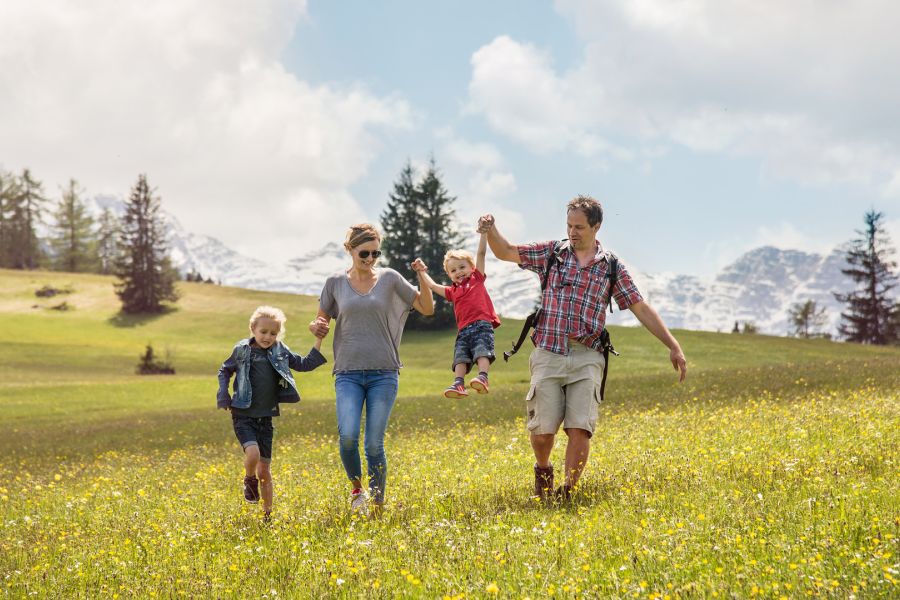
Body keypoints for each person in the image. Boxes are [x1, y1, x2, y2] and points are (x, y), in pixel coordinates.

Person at [478, 196, 687, 501]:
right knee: (542, 431)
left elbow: (640, 308)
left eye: (579, 227)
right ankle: (543, 467)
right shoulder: (552, 253)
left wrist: (673, 345)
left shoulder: (611, 266)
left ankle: (567, 491)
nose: (572, 232)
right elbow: (506, 252)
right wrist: (491, 230)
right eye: (569, 225)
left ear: (596, 226)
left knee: (580, 428)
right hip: (549, 350)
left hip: (588, 355)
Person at [309, 223, 434, 517]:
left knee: (374, 443)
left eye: (375, 253)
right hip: (348, 373)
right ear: (350, 249)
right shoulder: (335, 283)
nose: (370, 259)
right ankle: (357, 491)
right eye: (364, 252)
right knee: (348, 436)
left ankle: (377, 505)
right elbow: (320, 321)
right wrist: (316, 326)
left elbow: (427, 308)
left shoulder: (390, 278)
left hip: (384, 373)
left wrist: (422, 276)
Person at [217, 306, 327, 520]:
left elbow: (305, 364)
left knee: (265, 471)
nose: (268, 337)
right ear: (253, 329)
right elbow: (225, 370)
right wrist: (223, 394)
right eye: (263, 332)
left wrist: (318, 339)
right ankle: (249, 480)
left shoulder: (280, 350)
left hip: (265, 418)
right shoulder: (242, 350)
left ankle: (267, 516)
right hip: (243, 414)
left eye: (273, 333)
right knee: (253, 454)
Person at [416, 231, 501, 398]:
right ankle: (459, 383)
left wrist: (484, 234)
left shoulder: (477, 278)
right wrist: (421, 271)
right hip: (463, 331)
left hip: (481, 324)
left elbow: (481, 253)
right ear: (449, 275)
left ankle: (483, 377)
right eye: (453, 270)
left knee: (482, 351)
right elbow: (432, 286)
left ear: (472, 268)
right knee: (460, 357)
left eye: (462, 267)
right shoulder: (452, 292)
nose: (459, 272)